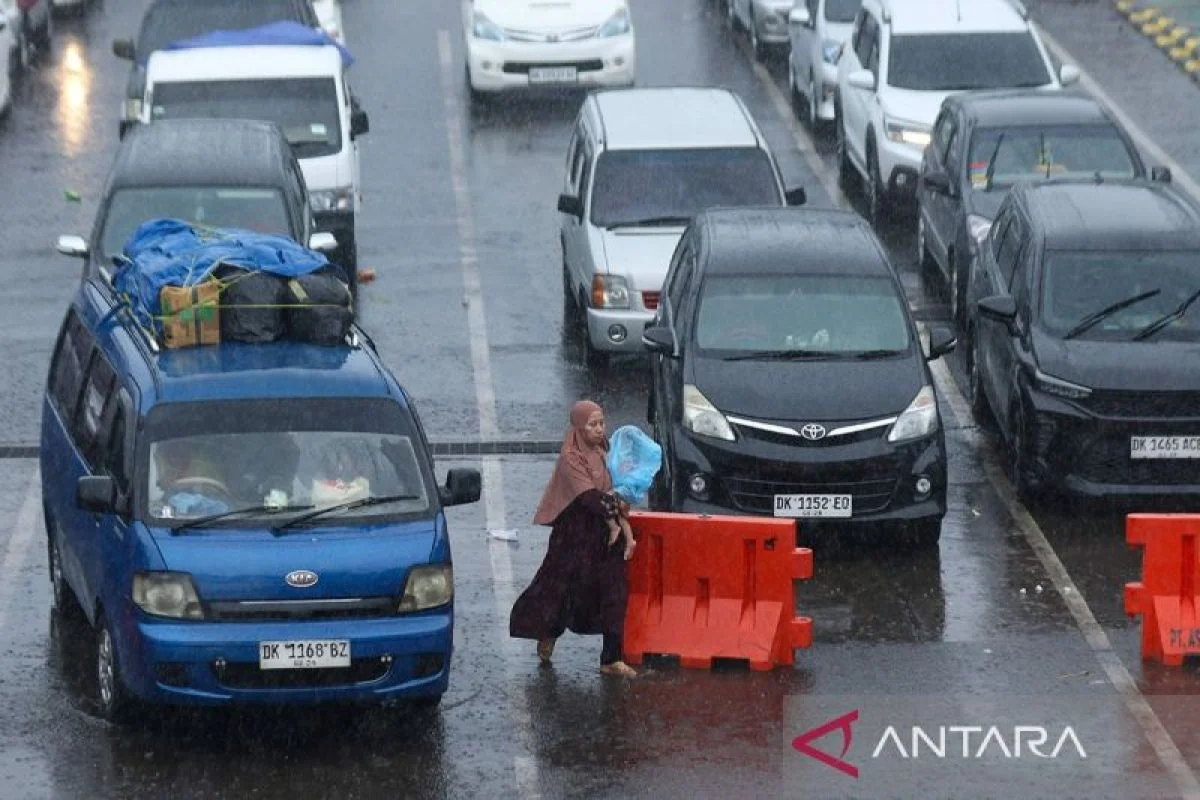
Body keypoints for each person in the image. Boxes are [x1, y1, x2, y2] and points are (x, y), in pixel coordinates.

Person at [509, 400, 637, 678]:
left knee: (614, 590)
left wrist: (623, 501)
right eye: (592, 424)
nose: (599, 429)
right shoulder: (571, 456)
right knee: (560, 590)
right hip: (574, 533)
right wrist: (620, 506)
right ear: (579, 427)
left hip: (604, 533)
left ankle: (611, 658)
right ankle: (547, 632)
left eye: (601, 422)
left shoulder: (607, 449)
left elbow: (619, 483)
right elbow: (588, 497)